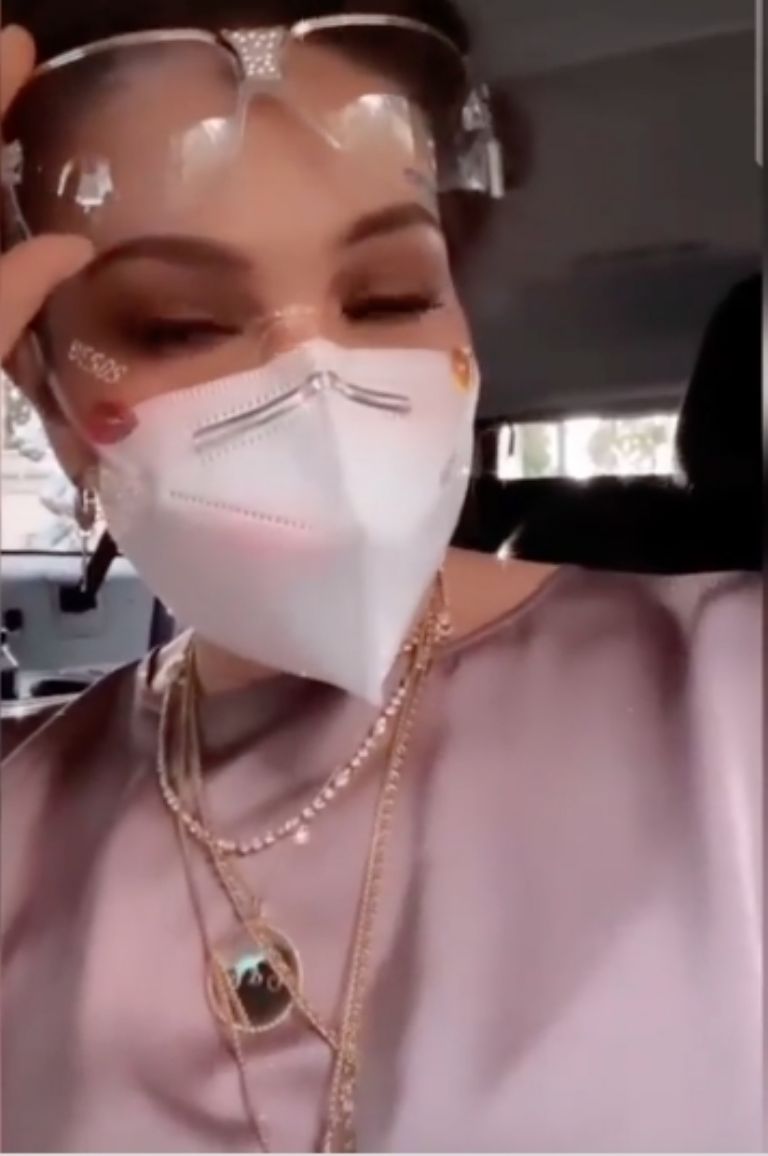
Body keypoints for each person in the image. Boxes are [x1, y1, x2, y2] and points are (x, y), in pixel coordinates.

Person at [0, 4, 760, 1152]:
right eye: (183, 324)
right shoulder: (23, 824)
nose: (316, 385)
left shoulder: (730, 704)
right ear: (50, 400)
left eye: (390, 297)